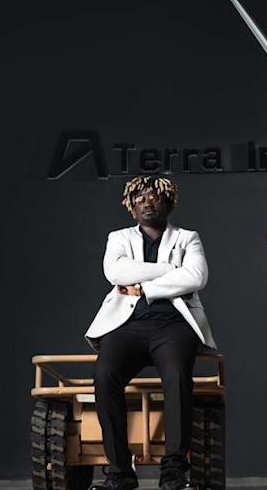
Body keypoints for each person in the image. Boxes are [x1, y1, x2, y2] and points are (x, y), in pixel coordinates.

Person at [85, 176, 216, 490]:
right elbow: (115, 272)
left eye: (154, 197)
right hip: (126, 325)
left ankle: (173, 472)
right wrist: (171, 270)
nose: (147, 203)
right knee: (104, 375)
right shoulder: (118, 238)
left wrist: (143, 287)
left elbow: (197, 276)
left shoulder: (187, 238)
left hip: (174, 326)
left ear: (168, 203)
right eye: (140, 198)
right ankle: (119, 473)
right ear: (132, 207)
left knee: (177, 376)